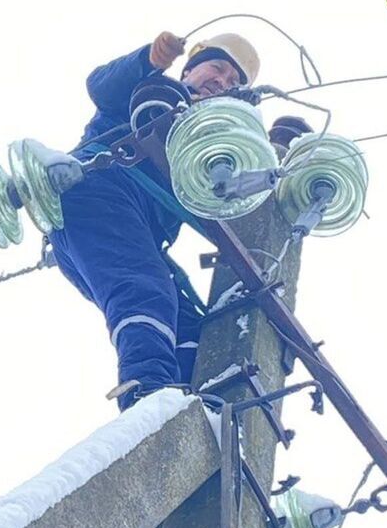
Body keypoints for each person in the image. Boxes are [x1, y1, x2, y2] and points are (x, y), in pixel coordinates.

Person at [48, 32, 260, 409]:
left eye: (233, 82)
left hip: (132, 230)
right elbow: (101, 85)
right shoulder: (150, 93)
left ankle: (195, 408)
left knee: (189, 324)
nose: (222, 81)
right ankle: (148, 395)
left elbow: (219, 205)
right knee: (144, 291)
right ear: (189, 70)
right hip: (100, 191)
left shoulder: (207, 148)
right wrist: (149, 59)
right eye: (216, 67)